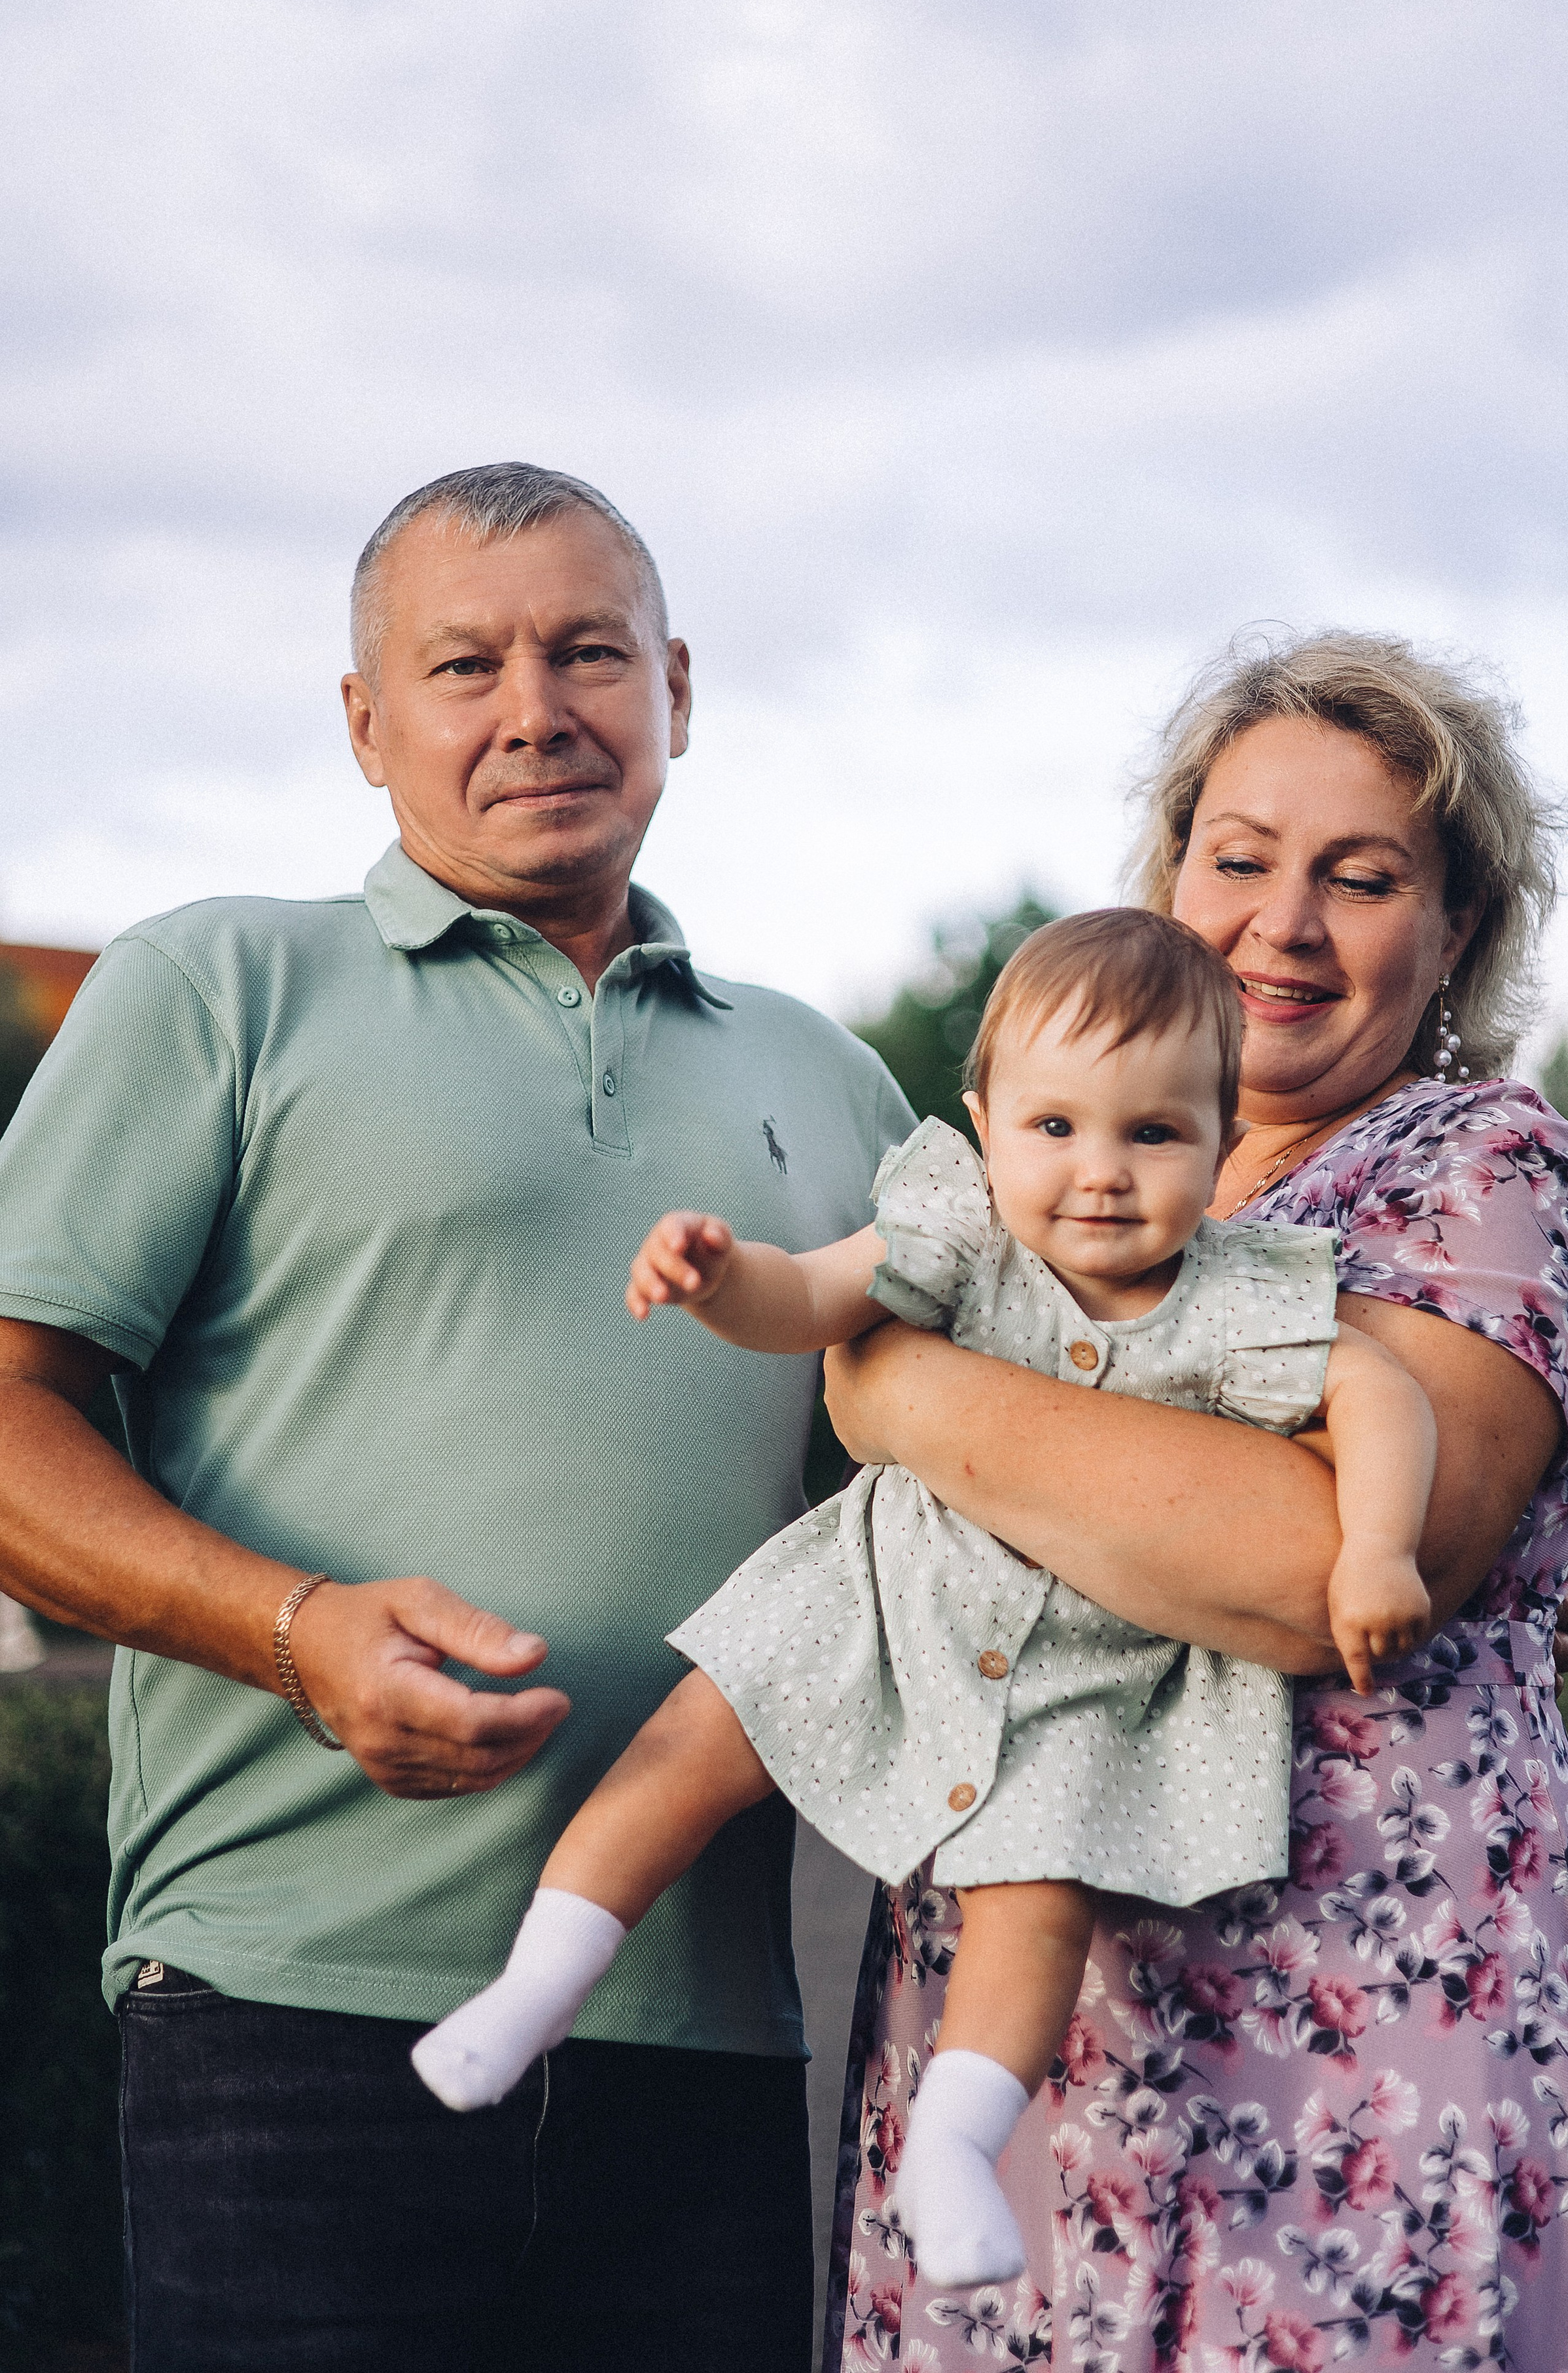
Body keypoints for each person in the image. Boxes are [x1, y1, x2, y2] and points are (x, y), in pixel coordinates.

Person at [0, 463, 914, 2372]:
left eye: (588, 652)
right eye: (464, 664)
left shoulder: (833, 1080)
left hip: (705, 2036)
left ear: (677, 687)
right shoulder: (216, 988)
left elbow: (987, 1476)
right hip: (288, 2018)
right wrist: (296, 1631)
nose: (535, 709)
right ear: (365, 722)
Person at [822, 634, 1568, 2372]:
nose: (1283, 923)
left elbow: (1312, 1563)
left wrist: (903, 1393)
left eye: (1362, 878)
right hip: (1030, 2030)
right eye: (1241, 858)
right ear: (1170, 876)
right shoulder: (1062, 1159)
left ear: (1456, 931)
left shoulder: (1480, 1163)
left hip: (1352, 2019)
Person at [412, 907, 1436, 2293]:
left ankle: (955, 2143)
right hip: (880, 1600)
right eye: (1055, 1126)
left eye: (1153, 1133)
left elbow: (1378, 1392)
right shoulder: (957, 1226)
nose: (1099, 1172)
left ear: (1220, 1138)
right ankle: (533, 1988)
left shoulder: (1241, 1295)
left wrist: (1378, 1547)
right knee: (688, 1741)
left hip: (1088, 1673)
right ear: (985, 1121)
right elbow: (811, 1299)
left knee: (1036, 1898)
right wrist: (722, 1280)